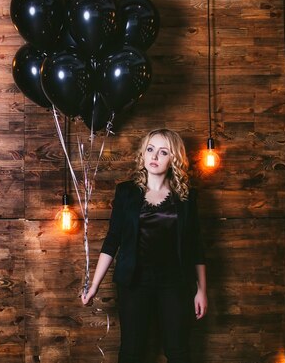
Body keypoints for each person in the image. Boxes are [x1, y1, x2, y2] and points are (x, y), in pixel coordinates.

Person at [81, 128, 207, 363]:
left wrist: (202, 290)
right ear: (143, 153)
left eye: (163, 152)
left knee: (178, 351)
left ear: (174, 159)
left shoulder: (186, 197)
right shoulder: (126, 192)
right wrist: (94, 285)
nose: (155, 157)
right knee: (132, 352)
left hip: (175, 283)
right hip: (134, 283)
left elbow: (195, 246)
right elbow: (112, 240)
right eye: (150, 149)